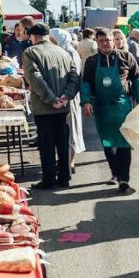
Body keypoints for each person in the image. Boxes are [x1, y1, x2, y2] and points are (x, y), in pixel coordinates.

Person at [81, 28, 139, 191]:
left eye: (108, 40)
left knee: (124, 141)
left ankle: (124, 178)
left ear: (114, 40)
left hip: (122, 106)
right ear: (97, 42)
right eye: (101, 41)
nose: (105, 43)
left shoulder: (126, 57)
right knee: (108, 142)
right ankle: (115, 172)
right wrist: (86, 101)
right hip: (101, 108)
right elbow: (85, 83)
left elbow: (137, 78)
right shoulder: (91, 61)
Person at [21, 22, 81, 190]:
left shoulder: (30, 52)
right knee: (63, 142)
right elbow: (74, 77)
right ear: (48, 36)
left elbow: (35, 78)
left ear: (33, 37)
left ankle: (49, 179)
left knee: (46, 144)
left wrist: (51, 99)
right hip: (63, 106)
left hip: (43, 107)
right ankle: (64, 176)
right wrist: (65, 97)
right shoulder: (64, 52)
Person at [50, 28, 86, 174]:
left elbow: (74, 77)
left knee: (71, 130)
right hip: (62, 97)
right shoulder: (61, 51)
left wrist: (66, 95)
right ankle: (64, 161)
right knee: (65, 130)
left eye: (52, 40)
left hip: (69, 97)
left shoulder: (70, 53)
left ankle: (70, 162)